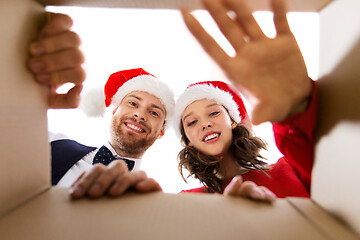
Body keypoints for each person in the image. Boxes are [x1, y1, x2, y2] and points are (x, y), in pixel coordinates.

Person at [28, 14, 173, 199]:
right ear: (114, 110)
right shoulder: (50, 145)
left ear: (161, 131)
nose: (140, 114)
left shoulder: (153, 198)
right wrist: (24, 99)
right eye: (133, 103)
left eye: (154, 112)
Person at [174, 80, 317, 198]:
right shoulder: (188, 200)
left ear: (233, 121)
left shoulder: (290, 168)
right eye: (192, 122)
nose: (205, 124)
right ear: (188, 141)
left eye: (214, 113)